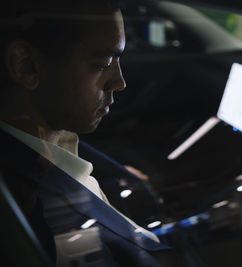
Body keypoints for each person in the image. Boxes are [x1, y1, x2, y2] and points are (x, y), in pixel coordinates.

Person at [0, 1, 182, 266]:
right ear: (26, 65)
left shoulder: (46, 139)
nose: (120, 82)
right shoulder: (36, 215)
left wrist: (119, 189)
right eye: (103, 63)